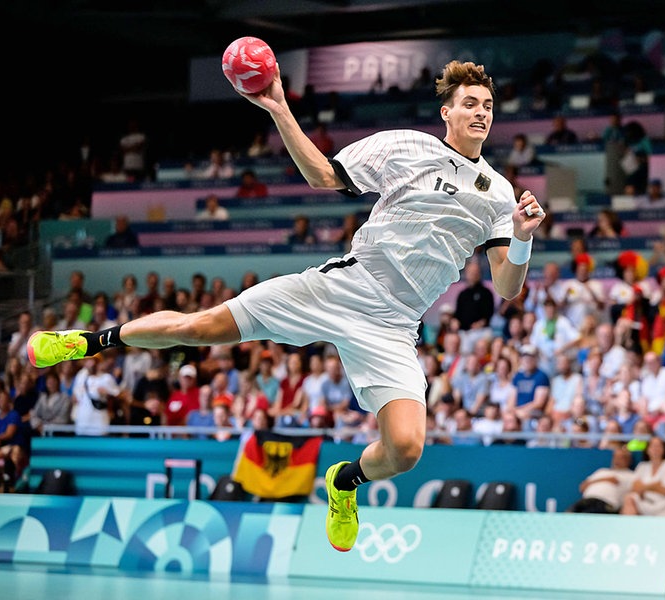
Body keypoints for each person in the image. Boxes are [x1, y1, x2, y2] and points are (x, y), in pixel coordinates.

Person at [27, 60, 545, 552]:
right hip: (344, 287)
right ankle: (89, 342)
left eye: (488, 106)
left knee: (406, 450)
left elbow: (507, 286)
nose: (482, 112)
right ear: (446, 112)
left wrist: (521, 238)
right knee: (202, 327)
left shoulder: (499, 193)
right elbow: (323, 175)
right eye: (471, 103)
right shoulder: (405, 146)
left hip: (394, 325)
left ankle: (344, 480)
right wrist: (278, 107)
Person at [620, 435, 665, 516]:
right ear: (647, 449)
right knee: (629, 498)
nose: (655, 449)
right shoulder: (642, 466)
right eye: (652, 446)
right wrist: (655, 485)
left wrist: (643, 487)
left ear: (664, 449)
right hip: (645, 502)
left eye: (658, 446)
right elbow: (635, 488)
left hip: (664, 505)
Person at [568, 446, 636, 513]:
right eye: (616, 457)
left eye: (622, 457)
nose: (617, 460)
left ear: (628, 460)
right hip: (586, 500)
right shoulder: (602, 471)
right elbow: (582, 487)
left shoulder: (631, 475)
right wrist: (606, 479)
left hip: (607, 503)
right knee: (569, 513)